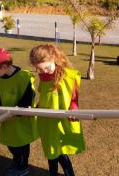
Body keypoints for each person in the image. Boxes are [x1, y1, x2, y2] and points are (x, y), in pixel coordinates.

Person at [29, 44, 85, 176]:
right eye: (39, 70)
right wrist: (35, 109)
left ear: (54, 58)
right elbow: (44, 98)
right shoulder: (43, 78)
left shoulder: (68, 76)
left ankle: (69, 174)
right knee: (50, 151)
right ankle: (52, 173)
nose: (44, 72)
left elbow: (73, 99)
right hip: (46, 123)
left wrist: (73, 109)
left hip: (60, 123)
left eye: (47, 68)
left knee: (59, 152)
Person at [0, 48, 38, 176]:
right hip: (6, 119)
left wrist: (11, 115)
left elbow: (26, 103)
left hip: (21, 120)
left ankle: (23, 167)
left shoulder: (24, 77)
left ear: (4, 66)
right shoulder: (0, 77)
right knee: (11, 144)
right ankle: (17, 161)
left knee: (21, 145)